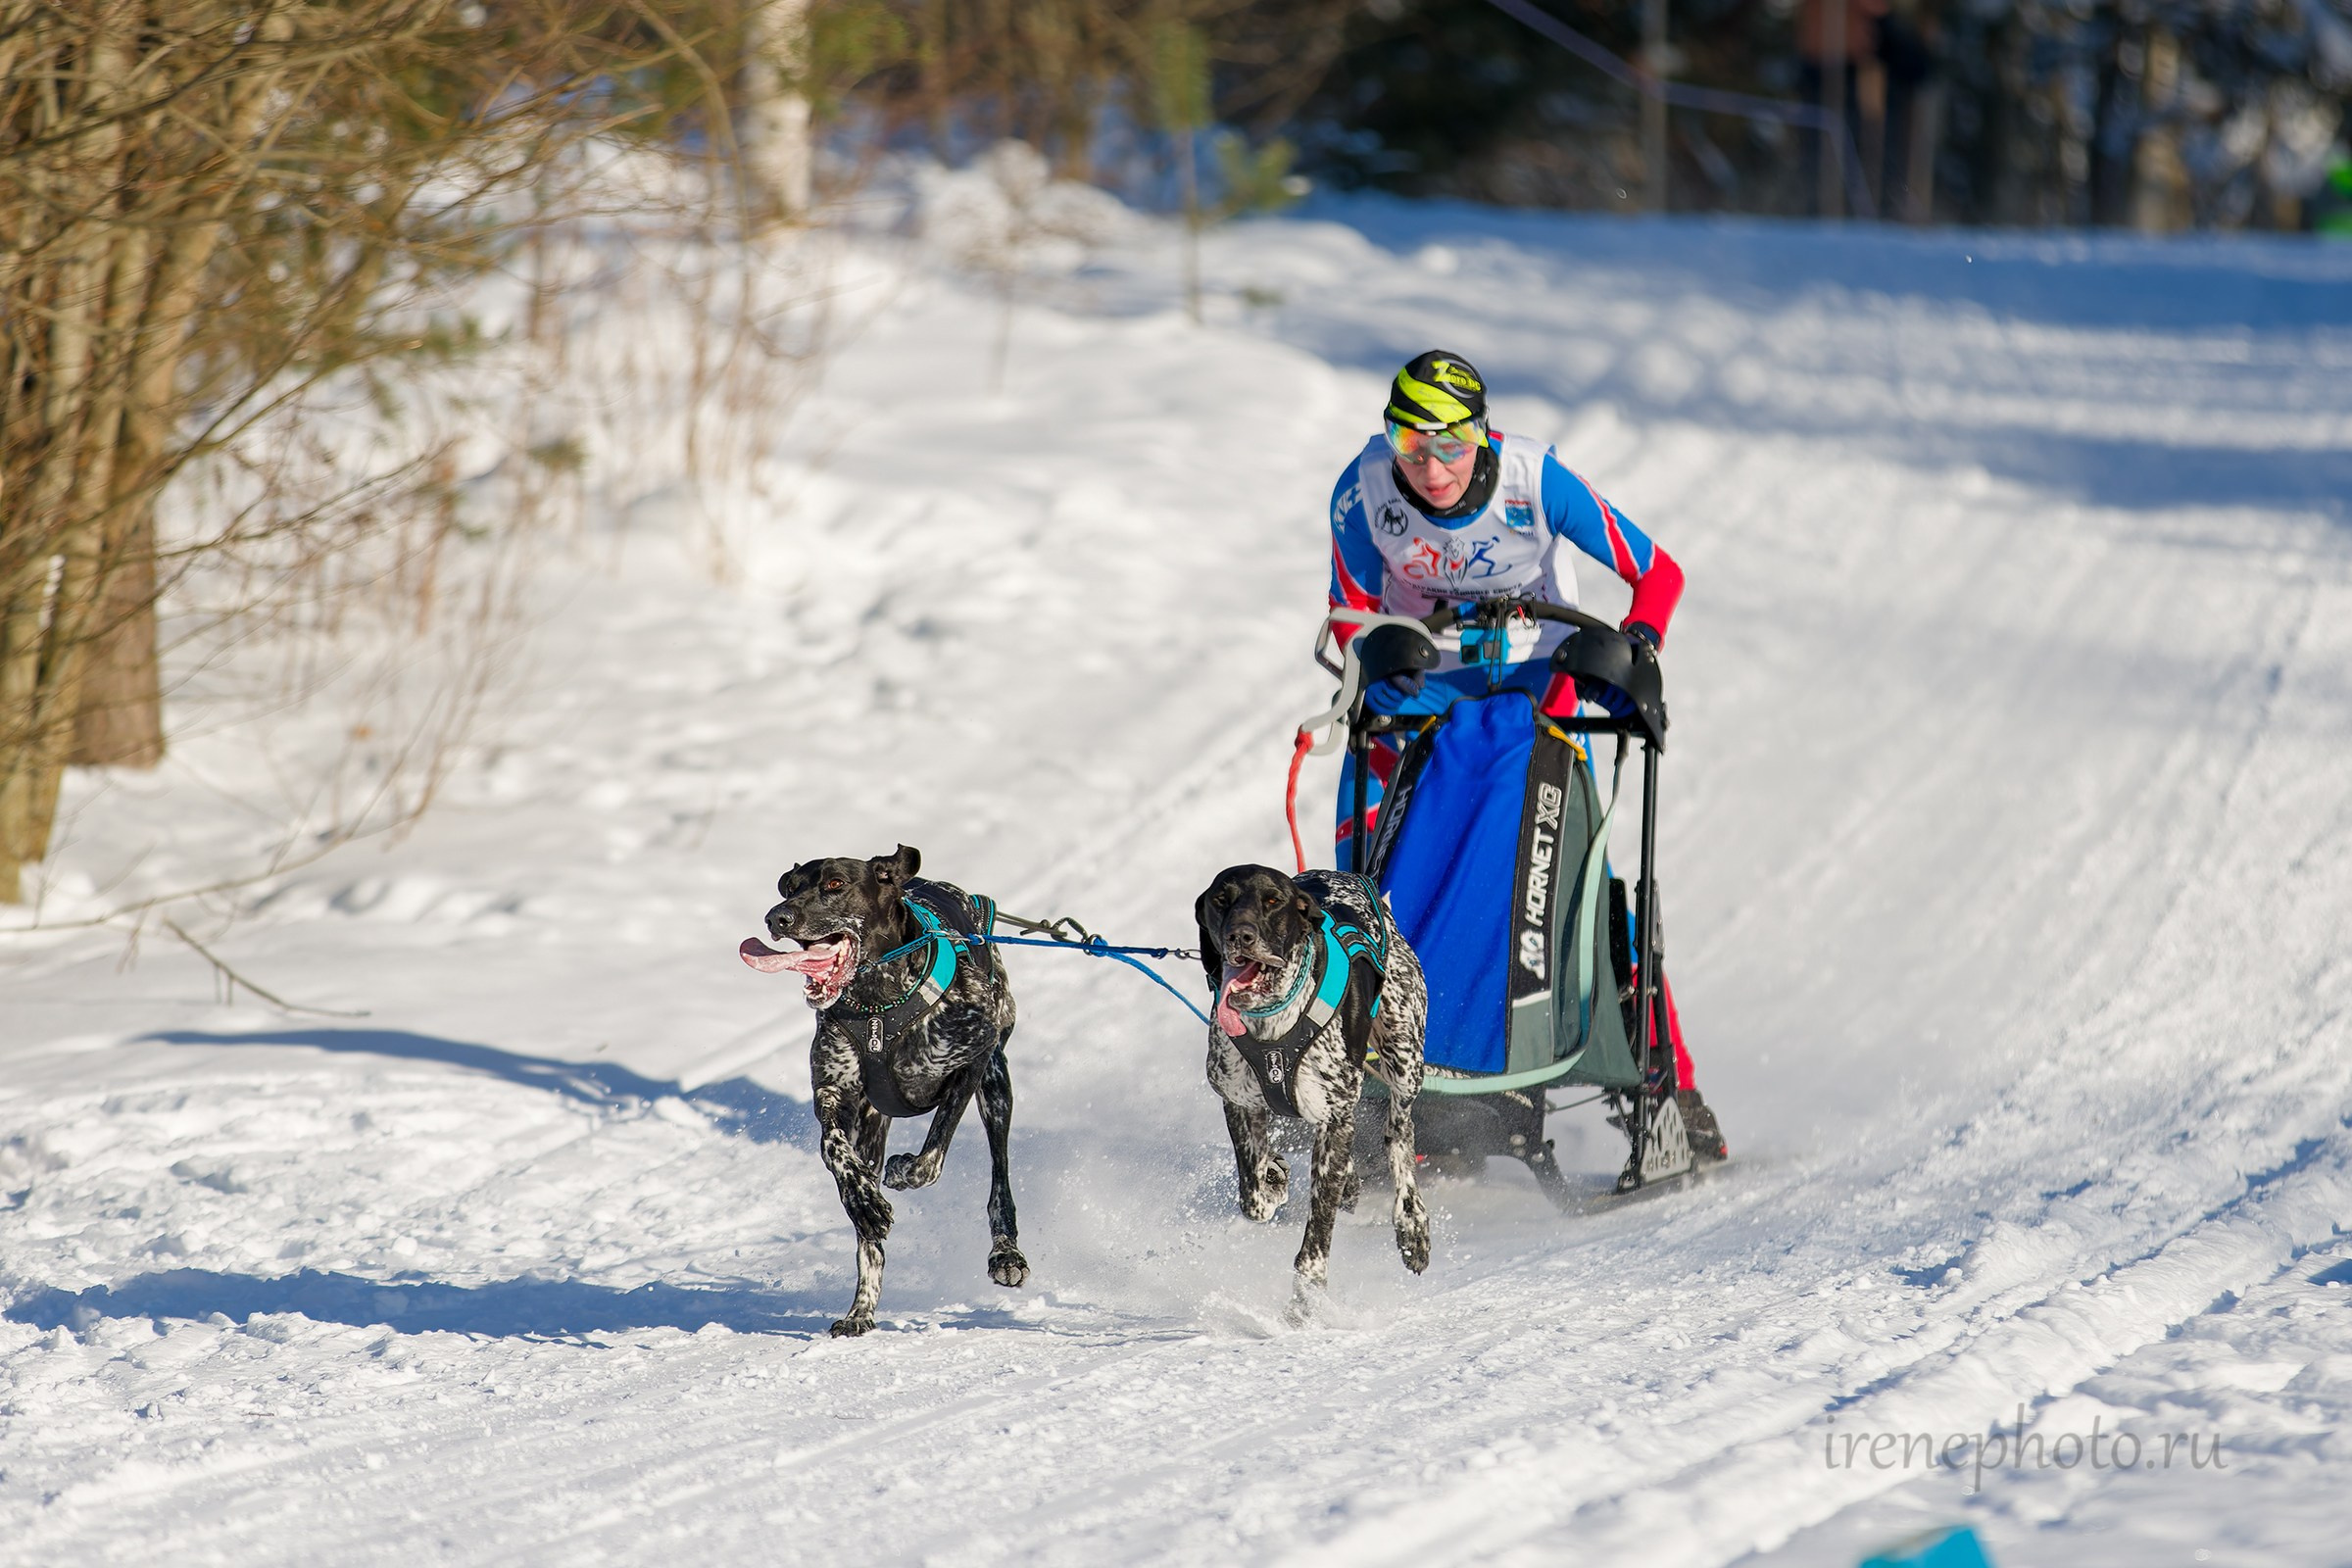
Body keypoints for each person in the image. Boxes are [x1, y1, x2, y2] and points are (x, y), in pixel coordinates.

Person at [1324, 349, 1726, 1162]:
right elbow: (1346, 616)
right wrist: (1379, 656)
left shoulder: (1534, 480)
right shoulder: (1362, 490)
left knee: (1559, 874)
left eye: (1451, 444)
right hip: (1427, 685)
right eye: (1410, 444)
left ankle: (1669, 1084)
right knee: (1366, 862)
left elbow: (1659, 574)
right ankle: (1379, 1083)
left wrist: (1634, 644)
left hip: (1539, 678)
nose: (1431, 467)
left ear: (1483, 434)